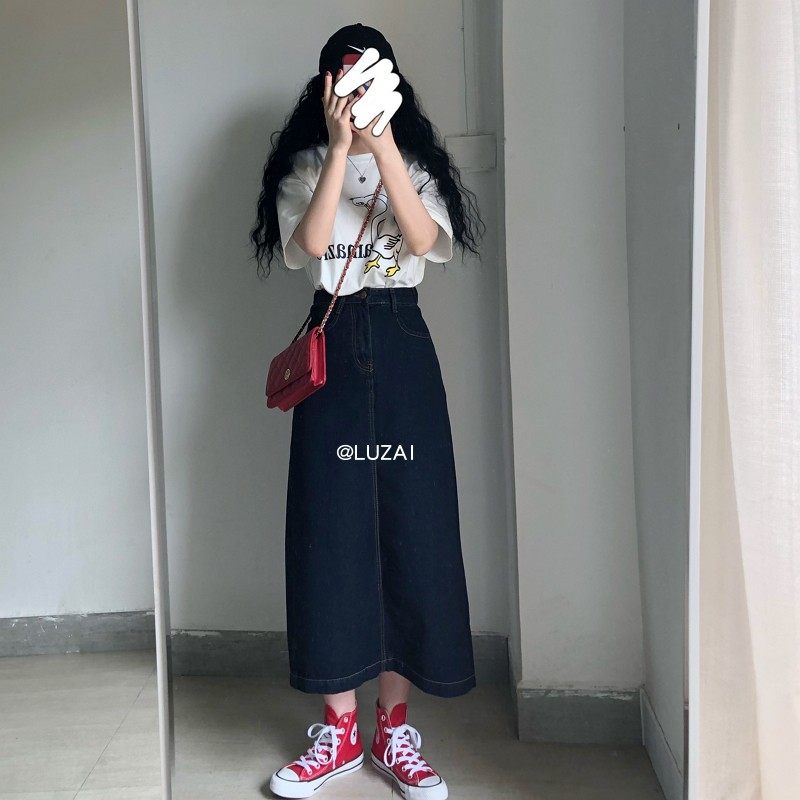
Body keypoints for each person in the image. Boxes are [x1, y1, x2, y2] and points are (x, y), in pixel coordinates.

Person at [250, 23, 484, 800]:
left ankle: (394, 729)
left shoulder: (413, 163)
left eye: (364, 77)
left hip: (404, 342)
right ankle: (339, 731)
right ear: (324, 87)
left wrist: (383, 149)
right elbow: (312, 248)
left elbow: (424, 240)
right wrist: (338, 150)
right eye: (340, 79)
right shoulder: (304, 168)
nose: (352, 91)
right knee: (331, 530)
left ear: (388, 81)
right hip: (332, 347)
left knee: (412, 529)